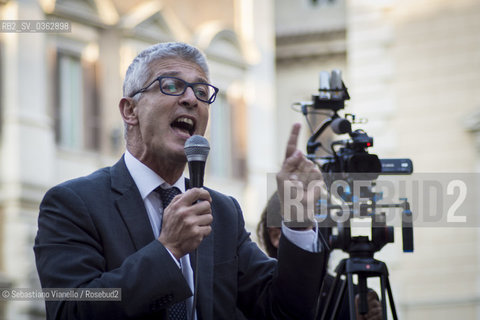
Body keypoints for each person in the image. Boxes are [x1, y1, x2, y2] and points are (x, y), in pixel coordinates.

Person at [34, 42, 329, 320]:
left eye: (202, 92)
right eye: (172, 85)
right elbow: (70, 310)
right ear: (130, 110)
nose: (191, 99)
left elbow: (283, 310)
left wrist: (298, 221)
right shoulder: (73, 203)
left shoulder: (223, 212)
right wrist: (168, 250)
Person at [257, 192, 383, 320]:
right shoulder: (258, 297)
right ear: (276, 236)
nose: (318, 236)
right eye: (306, 227)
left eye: (322, 226)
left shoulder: (352, 296)